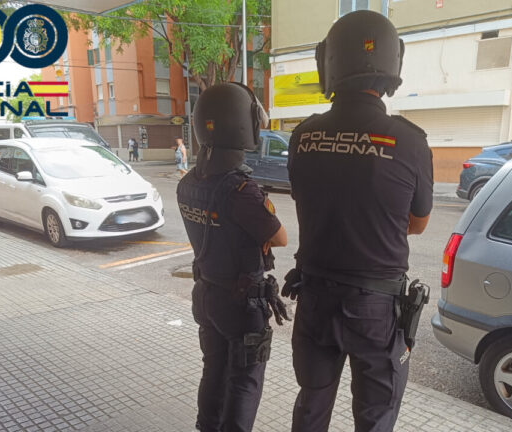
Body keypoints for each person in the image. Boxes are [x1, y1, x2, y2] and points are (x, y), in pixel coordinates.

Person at [283, 10, 433, 432]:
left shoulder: (303, 135)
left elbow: (306, 198)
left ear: (328, 62)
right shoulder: (408, 140)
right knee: (375, 416)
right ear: (392, 64)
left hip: (314, 299)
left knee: (311, 406)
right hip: (375, 309)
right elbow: (418, 223)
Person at [176, 82, 291, 432]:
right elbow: (280, 237)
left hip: (207, 294)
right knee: (244, 381)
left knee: (213, 370)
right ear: (243, 125)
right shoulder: (243, 191)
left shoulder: (187, 184)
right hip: (242, 306)